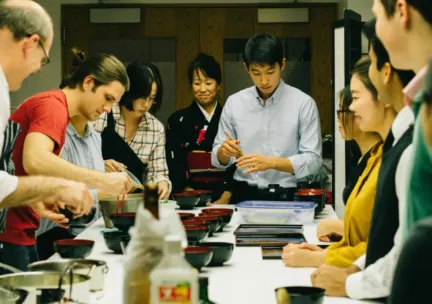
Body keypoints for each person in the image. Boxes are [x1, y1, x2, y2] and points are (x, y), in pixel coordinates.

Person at [0, 47, 133, 271]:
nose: (108, 109)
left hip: (21, 228)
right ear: (89, 82)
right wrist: (102, 181)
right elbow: (35, 159)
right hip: (9, 233)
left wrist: (47, 195)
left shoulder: (55, 108)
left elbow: (19, 168)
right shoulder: (53, 106)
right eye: (107, 98)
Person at [311, 19, 416, 298]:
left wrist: (348, 282)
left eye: (370, 62)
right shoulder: (395, 145)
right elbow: (386, 242)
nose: (350, 107)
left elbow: (406, 248)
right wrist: (353, 270)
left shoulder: (410, 148)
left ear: (386, 72)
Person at [283, 56, 396, 268]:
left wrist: (323, 258)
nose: (351, 110)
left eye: (354, 99)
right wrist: (334, 250)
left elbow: (384, 246)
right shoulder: (377, 157)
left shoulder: (392, 157)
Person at [0, 1, 94, 218]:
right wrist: (55, 187)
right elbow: (34, 160)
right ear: (31, 44)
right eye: (42, 60)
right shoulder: (52, 104)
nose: (36, 71)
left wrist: (32, 196)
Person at [211, 33, 322, 203]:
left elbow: (313, 159)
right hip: (243, 195)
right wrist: (223, 153)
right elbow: (217, 158)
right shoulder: (234, 103)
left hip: (287, 196)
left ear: (282, 65)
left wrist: (271, 163)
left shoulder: (303, 104)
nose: (264, 80)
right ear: (246, 68)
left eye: (270, 72)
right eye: (256, 73)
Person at [36, 50, 109, 260]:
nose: (107, 109)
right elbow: (62, 205)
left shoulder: (95, 138)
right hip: (55, 241)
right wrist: (104, 191)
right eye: (106, 99)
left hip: (87, 237)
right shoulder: (56, 136)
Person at [94, 61, 170, 200]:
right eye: (141, 97)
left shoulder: (155, 128)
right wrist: (100, 165)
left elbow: (157, 172)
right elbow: (79, 163)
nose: (146, 104)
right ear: (129, 92)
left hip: (132, 203)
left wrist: (162, 183)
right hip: (96, 199)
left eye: (151, 98)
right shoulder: (102, 115)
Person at [166, 53, 235, 203]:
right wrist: (188, 192)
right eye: (197, 83)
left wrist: (227, 195)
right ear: (191, 85)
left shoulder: (231, 118)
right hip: (189, 197)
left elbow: (238, 162)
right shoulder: (178, 120)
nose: (202, 89)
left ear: (218, 85)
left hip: (226, 198)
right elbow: (174, 162)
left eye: (208, 83)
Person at [317, 86, 381, 242]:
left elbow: (375, 231)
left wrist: (339, 227)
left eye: (341, 112)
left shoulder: (379, 159)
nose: (338, 120)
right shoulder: (361, 157)